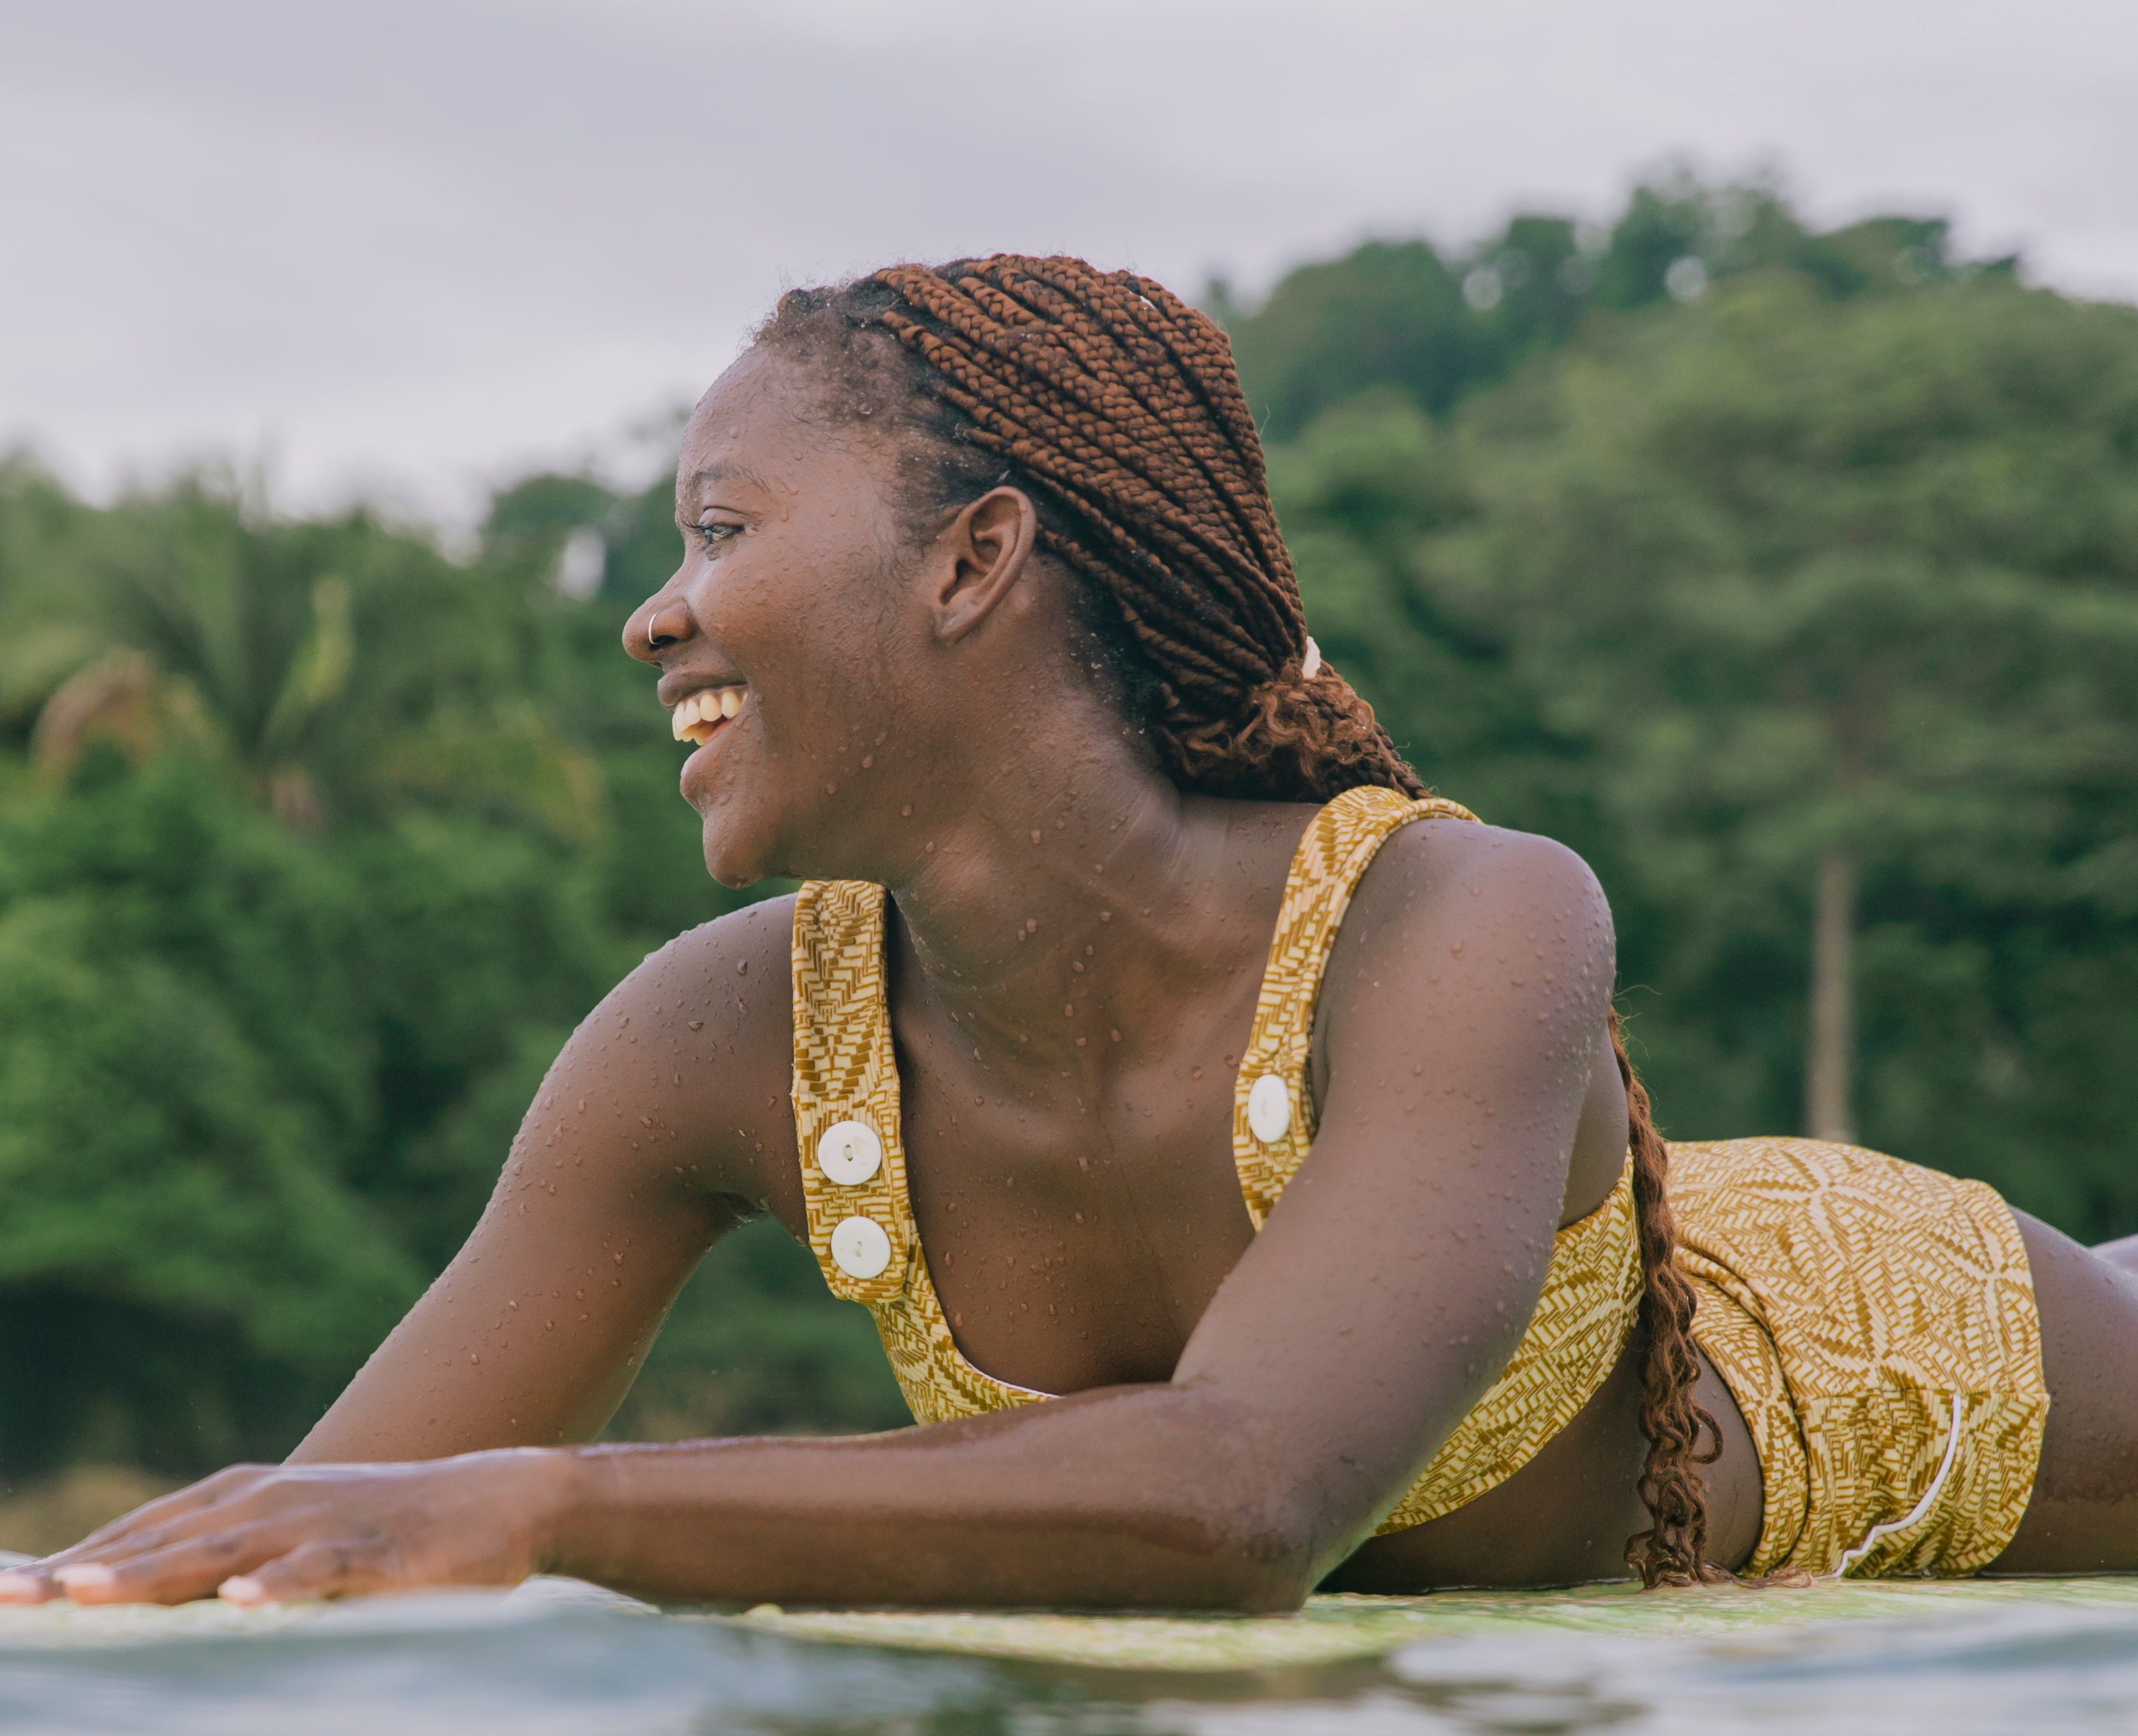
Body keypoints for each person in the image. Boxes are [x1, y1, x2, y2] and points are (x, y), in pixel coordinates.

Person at [10, 256, 2138, 1615]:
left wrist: (556, 1508)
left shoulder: (1464, 920)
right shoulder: (715, 1040)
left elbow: (1241, 1501)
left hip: (1900, 1363)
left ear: (975, 561)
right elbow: (322, 1523)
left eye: (721, 532)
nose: (655, 612)